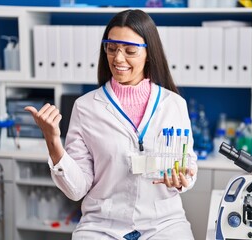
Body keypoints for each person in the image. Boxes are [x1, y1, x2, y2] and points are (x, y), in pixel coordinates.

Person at [25, 9, 197, 240]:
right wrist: (53, 141)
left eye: (130, 50)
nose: (118, 58)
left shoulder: (174, 104)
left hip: (163, 223)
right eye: (112, 48)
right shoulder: (85, 107)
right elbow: (76, 190)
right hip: (102, 225)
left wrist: (183, 180)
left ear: (149, 53)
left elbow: (189, 165)